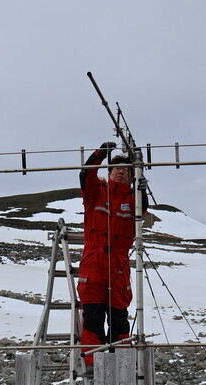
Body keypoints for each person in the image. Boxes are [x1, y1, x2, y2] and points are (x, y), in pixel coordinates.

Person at [77, 141, 148, 372]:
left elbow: (142, 209)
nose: (121, 171)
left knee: (119, 317)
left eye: (126, 170)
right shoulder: (96, 193)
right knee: (93, 316)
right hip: (94, 262)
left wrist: (141, 188)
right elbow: (85, 175)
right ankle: (93, 362)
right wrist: (99, 154)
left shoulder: (132, 201)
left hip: (119, 264)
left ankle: (122, 364)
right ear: (108, 173)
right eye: (116, 168)